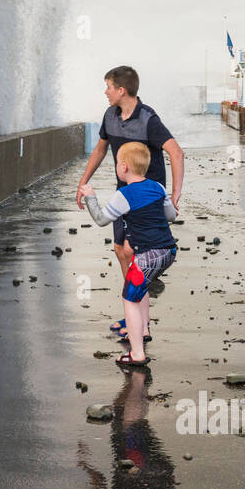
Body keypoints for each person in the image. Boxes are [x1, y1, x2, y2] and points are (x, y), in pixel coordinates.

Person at [74, 66, 184, 341]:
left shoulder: (148, 119)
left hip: (147, 196)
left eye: (108, 87)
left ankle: (140, 323)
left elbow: (177, 153)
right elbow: (100, 149)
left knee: (134, 253)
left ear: (121, 90)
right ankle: (133, 310)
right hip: (124, 194)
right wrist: (82, 181)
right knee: (121, 251)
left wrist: (174, 195)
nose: (105, 92)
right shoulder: (110, 116)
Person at [79, 142, 178, 365]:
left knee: (129, 299)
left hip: (147, 256)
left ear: (123, 167)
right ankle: (142, 329)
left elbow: (102, 219)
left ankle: (137, 354)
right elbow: (170, 216)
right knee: (141, 288)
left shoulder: (123, 195)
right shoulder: (158, 187)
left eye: (116, 165)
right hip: (168, 251)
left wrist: (90, 196)